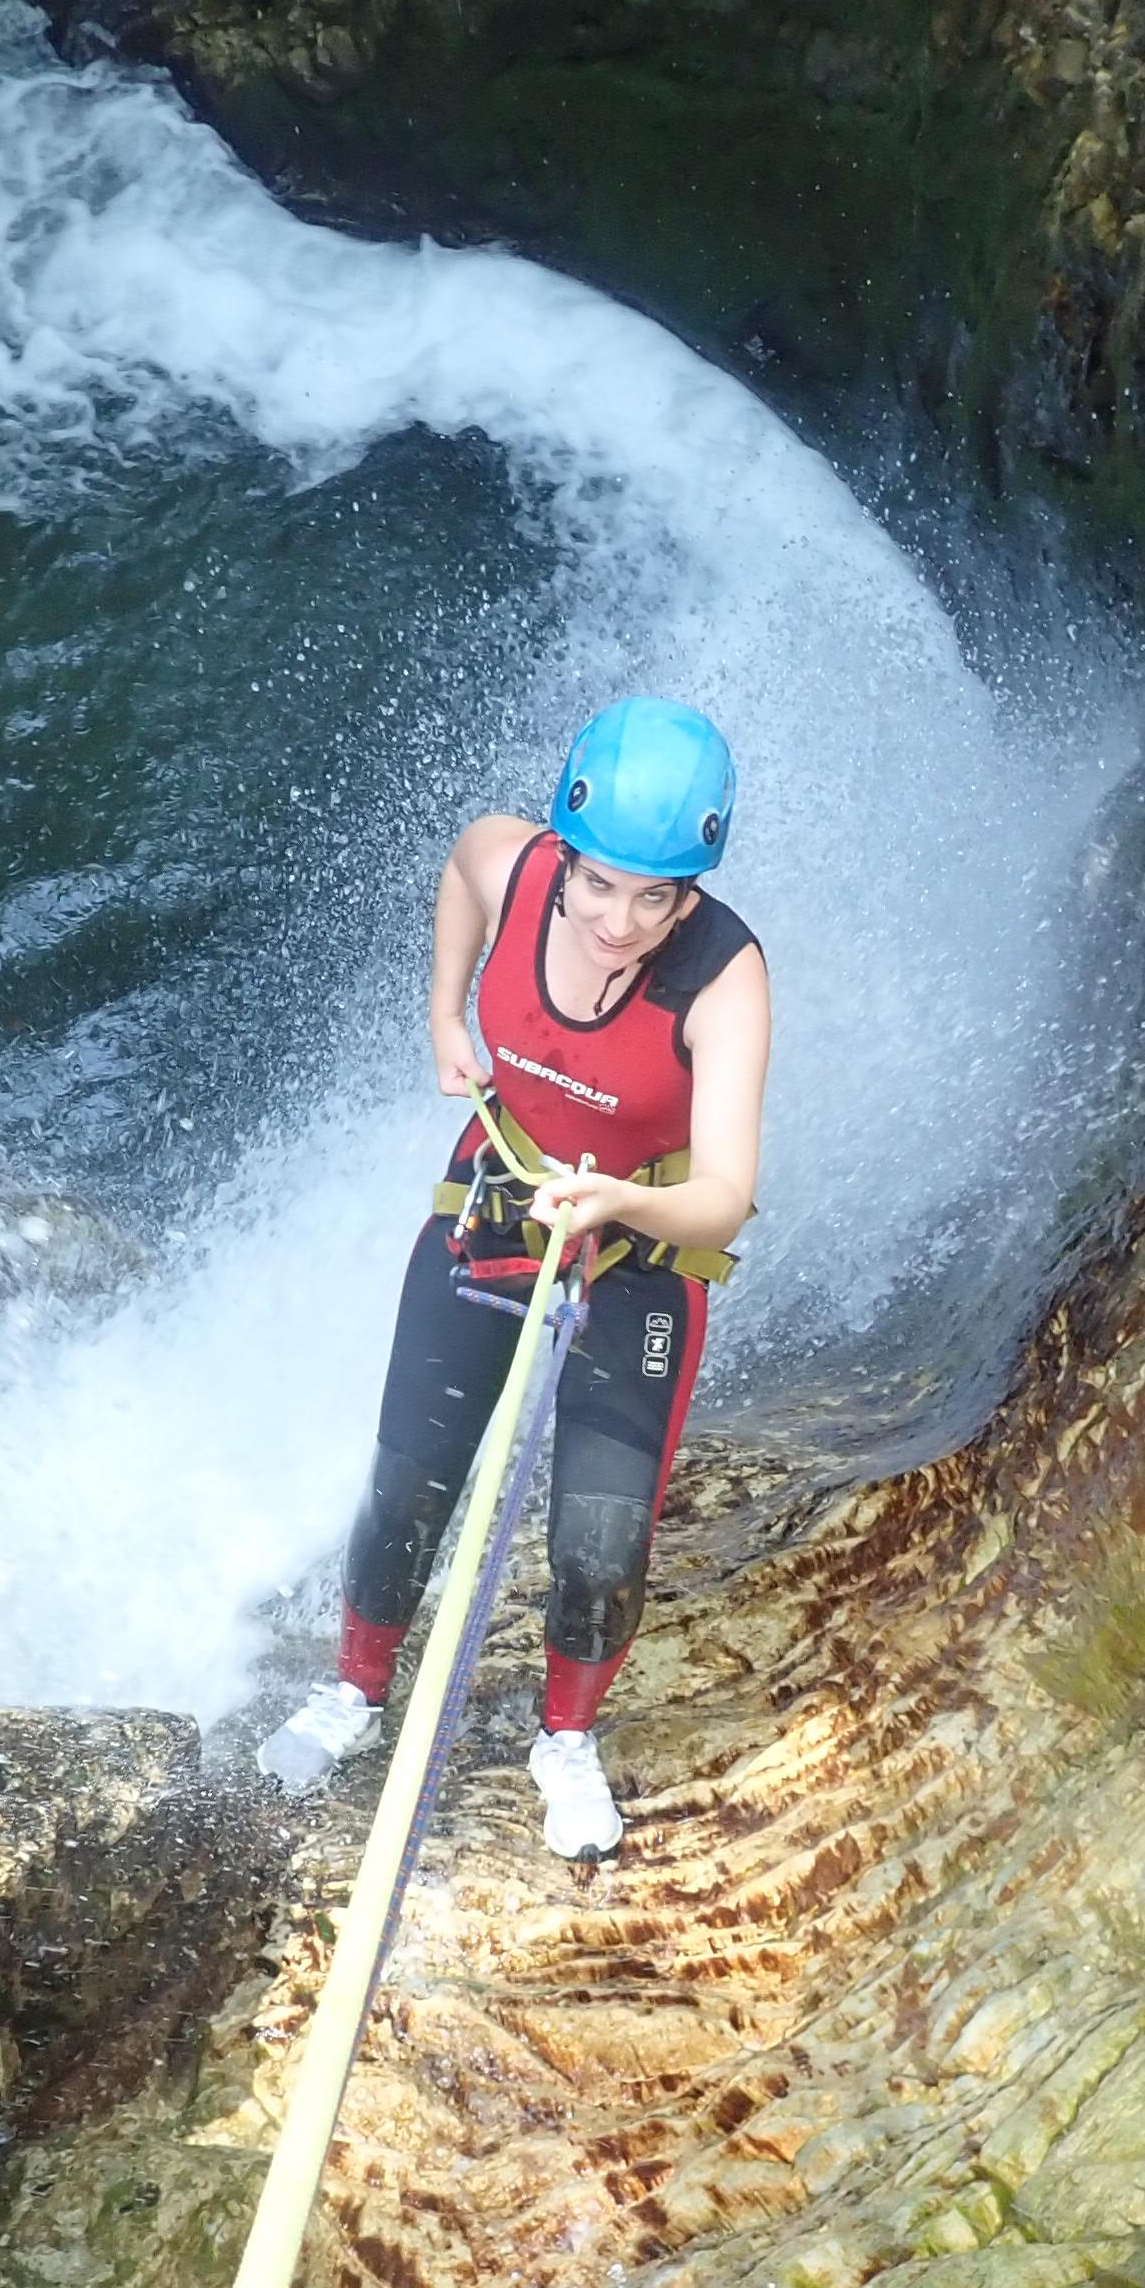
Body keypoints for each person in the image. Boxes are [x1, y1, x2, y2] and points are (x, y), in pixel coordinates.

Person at [260, 697, 773, 1860]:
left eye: (656, 898)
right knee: (409, 1481)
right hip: (498, 1198)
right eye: (598, 884)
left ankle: (565, 1740)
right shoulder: (513, 858)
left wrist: (618, 1203)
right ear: (566, 851)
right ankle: (353, 1691)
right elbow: (461, 870)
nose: (617, 921)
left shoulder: (725, 976)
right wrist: (445, 1013)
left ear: (691, 892)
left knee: (601, 1537)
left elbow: (723, 1194)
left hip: (637, 1242)